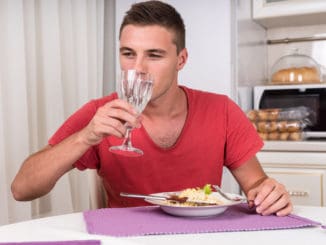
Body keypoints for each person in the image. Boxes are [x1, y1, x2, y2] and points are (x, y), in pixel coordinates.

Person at [11, 0, 292, 216]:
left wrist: (269, 193)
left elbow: (256, 186)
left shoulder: (221, 110)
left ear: (181, 59)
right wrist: (86, 136)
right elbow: (21, 189)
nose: (138, 68)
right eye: (128, 54)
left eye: (154, 55)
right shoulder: (100, 114)